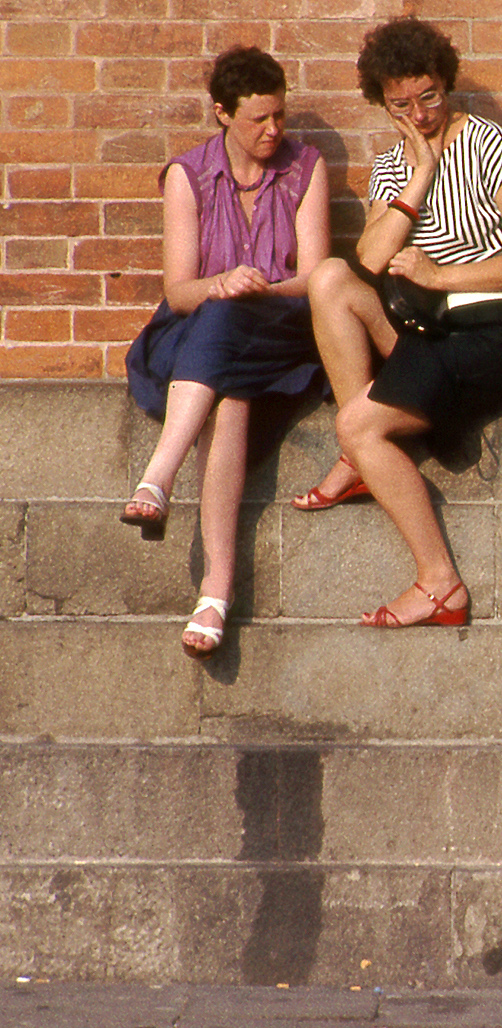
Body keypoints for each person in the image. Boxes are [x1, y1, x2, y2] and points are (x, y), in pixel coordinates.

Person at [297, 17, 502, 628]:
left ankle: (440, 584)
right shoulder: (394, 166)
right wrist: (419, 174)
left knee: (358, 424)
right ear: (384, 106)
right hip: (429, 333)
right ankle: (362, 441)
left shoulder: (489, 144)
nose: (420, 114)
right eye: (401, 104)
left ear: (446, 83)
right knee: (330, 279)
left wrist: (442, 277)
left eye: (429, 97)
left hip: (501, 328)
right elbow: (372, 259)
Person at [120, 45, 330, 658]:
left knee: (232, 322)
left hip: (281, 328)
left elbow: (314, 276)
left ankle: (159, 478)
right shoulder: (188, 175)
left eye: (279, 117)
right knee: (228, 387)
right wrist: (221, 284)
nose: (273, 130)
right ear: (221, 113)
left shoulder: (305, 168)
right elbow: (178, 290)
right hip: (194, 334)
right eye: (258, 119)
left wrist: (252, 286)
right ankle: (216, 590)